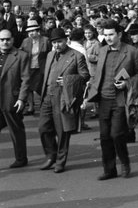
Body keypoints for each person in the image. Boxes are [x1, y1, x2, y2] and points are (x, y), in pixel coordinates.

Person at [86, 19, 138, 180]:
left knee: (117, 134)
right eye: (105, 35)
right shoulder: (102, 50)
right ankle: (109, 170)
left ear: (119, 34)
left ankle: (125, 162)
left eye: (111, 34)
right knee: (105, 137)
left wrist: (127, 83)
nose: (108, 38)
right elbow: (99, 73)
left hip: (120, 100)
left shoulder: (131, 52)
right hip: (103, 99)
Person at [38, 28, 90, 173]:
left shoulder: (76, 56)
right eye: (54, 43)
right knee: (43, 128)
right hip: (48, 96)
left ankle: (60, 160)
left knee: (62, 131)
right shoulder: (50, 55)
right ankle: (50, 155)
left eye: (59, 42)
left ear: (66, 40)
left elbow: (85, 76)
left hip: (63, 97)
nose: (57, 45)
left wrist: (68, 80)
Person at [0, 28, 30, 168]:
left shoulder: (21, 56)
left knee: (16, 130)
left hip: (11, 100)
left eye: (7, 39)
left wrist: (22, 99)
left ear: (12, 39)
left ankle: (21, 158)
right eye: (2, 40)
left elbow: (26, 79)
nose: (4, 42)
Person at [19, 19, 50, 115]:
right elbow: (20, 52)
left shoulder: (45, 40)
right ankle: (31, 107)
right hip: (29, 68)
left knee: (41, 88)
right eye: (29, 32)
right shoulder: (25, 41)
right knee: (28, 88)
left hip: (41, 68)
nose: (31, 33)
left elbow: (50, 54)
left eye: (33, 31)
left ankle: (44, 107)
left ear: (38, 31)